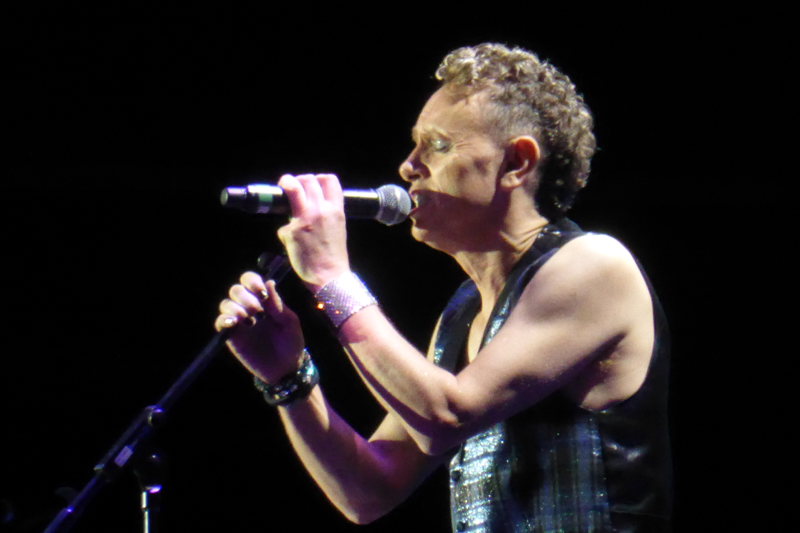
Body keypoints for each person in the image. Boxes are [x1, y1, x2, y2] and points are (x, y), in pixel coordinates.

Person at [215, 43, 672, 533]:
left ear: (516, 163)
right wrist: (288, 379)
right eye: (415, 145)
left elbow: (448, 416)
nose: (408, 166)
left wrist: (331, 276)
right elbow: (369, 490)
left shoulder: (594, 264)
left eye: (437, 144)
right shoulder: (462, 315)